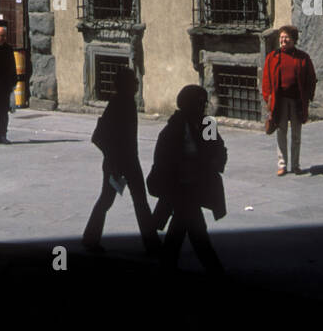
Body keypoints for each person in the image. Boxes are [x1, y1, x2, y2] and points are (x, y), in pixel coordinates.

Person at [147, 85, 227, 272]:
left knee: (180, 229)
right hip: (180, 188)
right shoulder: (175, 127)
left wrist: (215, 162)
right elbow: (163, 161)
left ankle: (168, 265)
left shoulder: (207, 124)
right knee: (197, 231)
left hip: (196, 185)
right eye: (200, 103)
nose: (204, 107)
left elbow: (218, 148)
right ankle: (215, 271)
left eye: (204, 103)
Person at [82, 66, 159, 256]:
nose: (137, 83)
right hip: (118, 161)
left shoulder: (127, 102)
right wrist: (114, 161)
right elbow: (98, 136)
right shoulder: (118, 103)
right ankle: (91, 239)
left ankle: (152, 243)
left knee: (137, 201)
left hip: (129, 160)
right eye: (133, 81)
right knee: (110, 200)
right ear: (126, 84)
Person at [261, 25, 317, 176]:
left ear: (293, 39)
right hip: (280, 102)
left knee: (296, 134)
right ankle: (282, 164)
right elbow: (265, 80)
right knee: (281, 132)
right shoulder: (272, 57)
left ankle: (296, 165)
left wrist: (308, 96)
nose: (283, 40)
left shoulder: (303, 57)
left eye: (286, 37)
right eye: (281, 37)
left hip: (297, 101)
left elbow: (311, 78)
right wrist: (268, 99)